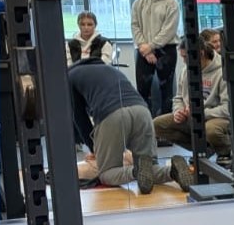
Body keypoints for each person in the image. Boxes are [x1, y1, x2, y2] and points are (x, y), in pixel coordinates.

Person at [69, 59, 194, 194]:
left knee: (106, 174)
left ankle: (135, 171)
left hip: (112, 114)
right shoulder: (109, 69)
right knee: (151, 165)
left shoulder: (69, 77)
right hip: (142, 111)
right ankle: (171, 171)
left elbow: (80, 118)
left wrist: (94, 149)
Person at [152, 36, 233, 162]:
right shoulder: (186, 71)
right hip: (192, 116)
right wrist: (178, 111)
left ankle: (225, 152)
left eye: (185, 57)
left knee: (211, 130)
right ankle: (202, 149)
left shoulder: (222, 71)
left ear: (201, 53)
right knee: (157, 125)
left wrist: (201, 113)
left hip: (215, 117)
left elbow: (227, 109)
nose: (184, 61)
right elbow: (178, 97)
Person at [131, 0, 180, 116]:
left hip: (166, 49)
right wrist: (145, 49)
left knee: (166, 90)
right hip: (143, 50)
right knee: (142, 91)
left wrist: (151, 46)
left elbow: (169, 29)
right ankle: (145, 125)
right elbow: (135, 26)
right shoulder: (138, 3)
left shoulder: (172, 3)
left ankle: (164, 128)